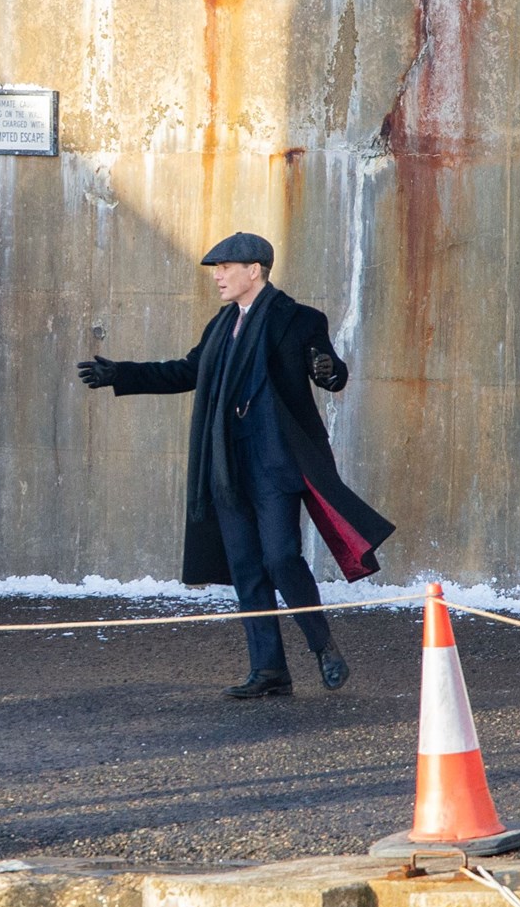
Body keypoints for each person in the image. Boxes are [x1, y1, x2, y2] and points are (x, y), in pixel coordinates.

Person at [77, 232, 393, 698]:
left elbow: (330, 372)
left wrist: (328, 369)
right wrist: (121, 373)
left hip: (278, 462)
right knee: (245, 565)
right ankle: (269, 670)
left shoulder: (299, 319)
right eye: (216, 268)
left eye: (226, 267)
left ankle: (323, 646)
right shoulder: (221, 326)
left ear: (255, 270)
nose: (218, 275)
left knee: (281, 557)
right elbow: (186, 371)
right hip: (227, 462)